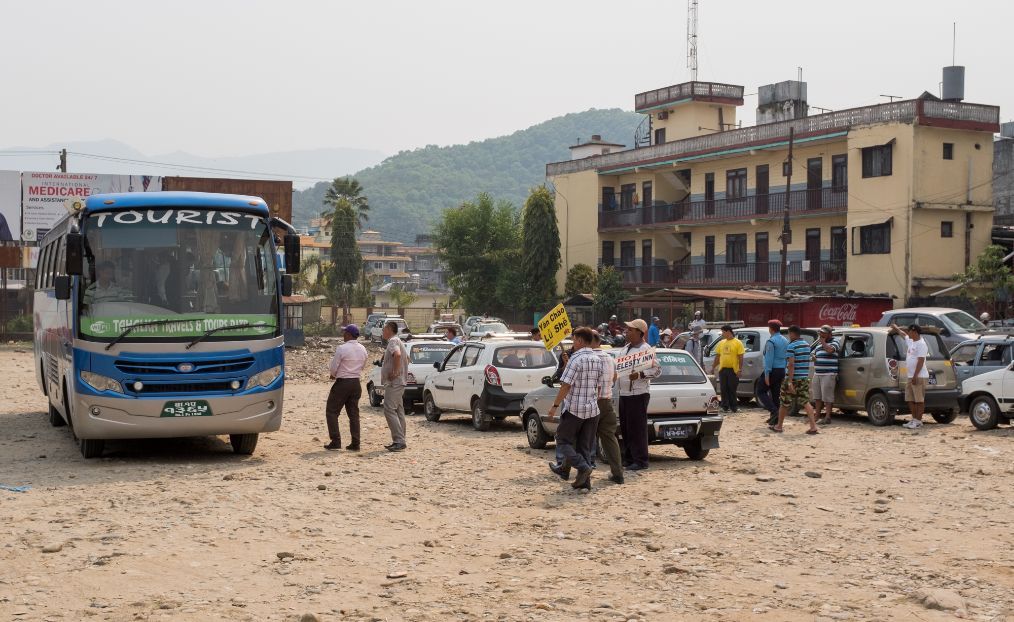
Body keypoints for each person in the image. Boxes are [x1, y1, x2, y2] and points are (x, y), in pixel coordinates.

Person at [547, 327, 604, 490]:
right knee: (584, 446)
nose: (573, 343)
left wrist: (554, 406)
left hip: (575, 409)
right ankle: (584, 482)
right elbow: (599, 386)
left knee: (563, 441)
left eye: (573, 340)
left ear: (579, 340)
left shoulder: (576, 359)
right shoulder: (596, 358)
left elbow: (565, 385)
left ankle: (583, 467)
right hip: (592, 410)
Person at [618, 319, 661, 471]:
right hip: (624, 393)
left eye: (630, 329)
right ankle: (629, 458)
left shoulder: (646, 349)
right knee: (626, 427)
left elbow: (657, 370)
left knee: (637, 428)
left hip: (638, 394)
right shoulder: (625, 349)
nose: (627, 331)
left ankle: (641, 460)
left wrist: (640, 374)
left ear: (639, 332)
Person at [323, 325, 368, 451]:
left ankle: (336, 441)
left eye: (344, 332)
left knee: (331, 411)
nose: (343, 334)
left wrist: (333, 375)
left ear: (348, 334)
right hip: (356, 383)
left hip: (343, 383)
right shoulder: (363, 348)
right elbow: (363, 365)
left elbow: (334, 366)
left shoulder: (342, 348)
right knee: (353, 414)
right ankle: (356, 443)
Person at [770, 325, 819, 434]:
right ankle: (813, 426)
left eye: (789, 334)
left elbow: (791, 364)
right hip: (804, 378)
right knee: (806, 402)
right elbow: (811, 358)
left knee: (784, 402)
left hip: (793, 378)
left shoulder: (791, 346)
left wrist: (790, 381)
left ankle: (778, 426)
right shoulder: (806, 345)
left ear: (792, 333)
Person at [592, 330, 623, 484]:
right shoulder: (610, 359)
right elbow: (615, 377)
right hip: (607, 402)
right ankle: (618, 473)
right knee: (610, 439)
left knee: (581, 438)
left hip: (591, 403)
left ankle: (578, 473)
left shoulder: (588, 359)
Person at [889, 322, 929, 429]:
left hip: (919, 376)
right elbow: (903, 334)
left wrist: (915, 376)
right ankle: (914, 419)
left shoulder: (921, 344)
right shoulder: (911, 341)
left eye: (910, 331)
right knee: (910, 399)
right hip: (910, 376)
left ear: (915, 331)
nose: (908, 333)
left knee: (919, 400)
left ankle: (918, 421)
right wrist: (896, 328)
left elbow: (920, 361)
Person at [381, 321, 410, 451]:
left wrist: (395, 372)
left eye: (384, 329)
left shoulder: (393, 341)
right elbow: (407, 359)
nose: (382, 332)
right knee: (398, 410)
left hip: (395, 382)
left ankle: (399, 440)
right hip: (400, 381)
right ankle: (400, 439)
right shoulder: (398, 341)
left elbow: (397, 355)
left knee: (389, 409)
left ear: (389, 329)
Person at [759, 320, 788, 426]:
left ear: (771, 329)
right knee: (775, 395)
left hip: (772, 370)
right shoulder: (785, 340)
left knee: (760, 391)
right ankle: (775, 418)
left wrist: (767, 374)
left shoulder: (771, 341)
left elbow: (769, 359)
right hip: (781, 370)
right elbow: (786, 357)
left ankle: (774, 411)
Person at [711, 325, 745, 413]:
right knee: (723, 388)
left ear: (728, 332)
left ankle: (734, 407)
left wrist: (740, 370)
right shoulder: (721, 342)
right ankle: (725, 407)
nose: (722, 334)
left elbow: (741, 357)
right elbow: (718, 356)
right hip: (723, 369)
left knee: (732, 389)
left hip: (733, 370)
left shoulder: (738, 343)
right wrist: (713, 367)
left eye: (723, 332)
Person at [812, 325, 840, 426]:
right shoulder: (818, 344)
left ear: (829, 333)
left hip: (828, 373)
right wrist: (813, 356)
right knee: (817, 396)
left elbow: (830, 350)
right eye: (820, 332)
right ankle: (817, 416)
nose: (821, 334)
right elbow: (813, 354)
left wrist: (823, 342)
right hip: (817, 373)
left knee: (827, 397)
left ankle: (828, 417)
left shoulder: (835, 341)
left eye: (823, 333)